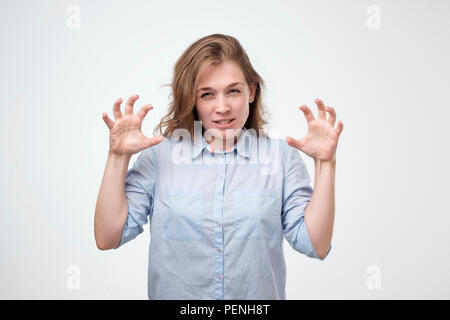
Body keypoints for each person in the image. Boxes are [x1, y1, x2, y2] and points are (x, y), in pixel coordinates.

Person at [94, 34, 344, 300]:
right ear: (192, 100)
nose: (222, 107)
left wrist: (325, 163)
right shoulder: (159, 157)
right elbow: (108, 238)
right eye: (207, 95)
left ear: (252, 91)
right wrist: (117, 157)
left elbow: (315, 243)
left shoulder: (281, 158)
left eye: (233, 91)